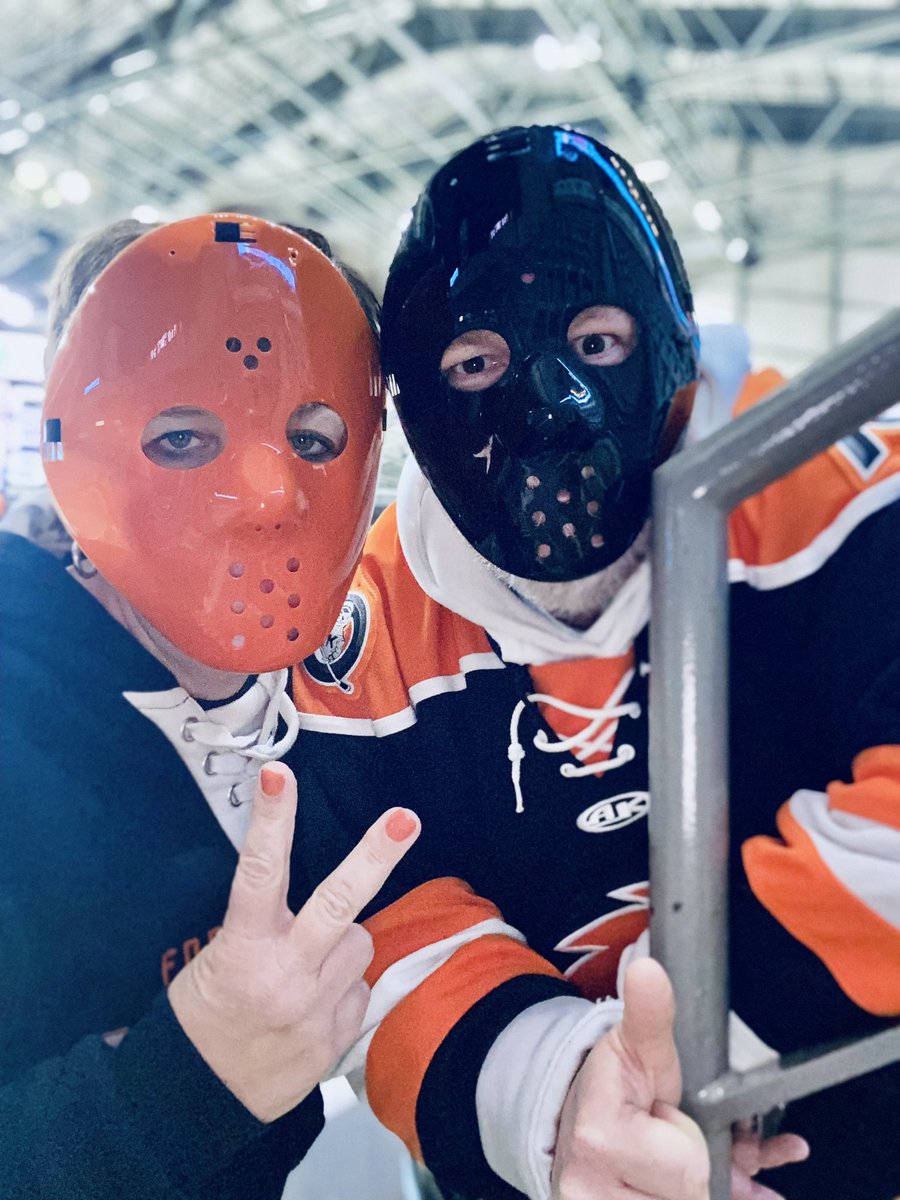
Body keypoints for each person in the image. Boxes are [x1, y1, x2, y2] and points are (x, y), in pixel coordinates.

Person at [285, 126, 900, 1200]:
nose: (545, 410)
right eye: (475, 365)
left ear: (667, 339)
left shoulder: (833, 492)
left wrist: (692, 1052)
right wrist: (558, 1093)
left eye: (599, 341)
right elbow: (365, 912)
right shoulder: (370, 621)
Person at [0, 213, 421, 1198]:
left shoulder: (340, 701)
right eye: (183, 436)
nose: (263, 494)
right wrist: (187, 1078)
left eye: (313, 439)